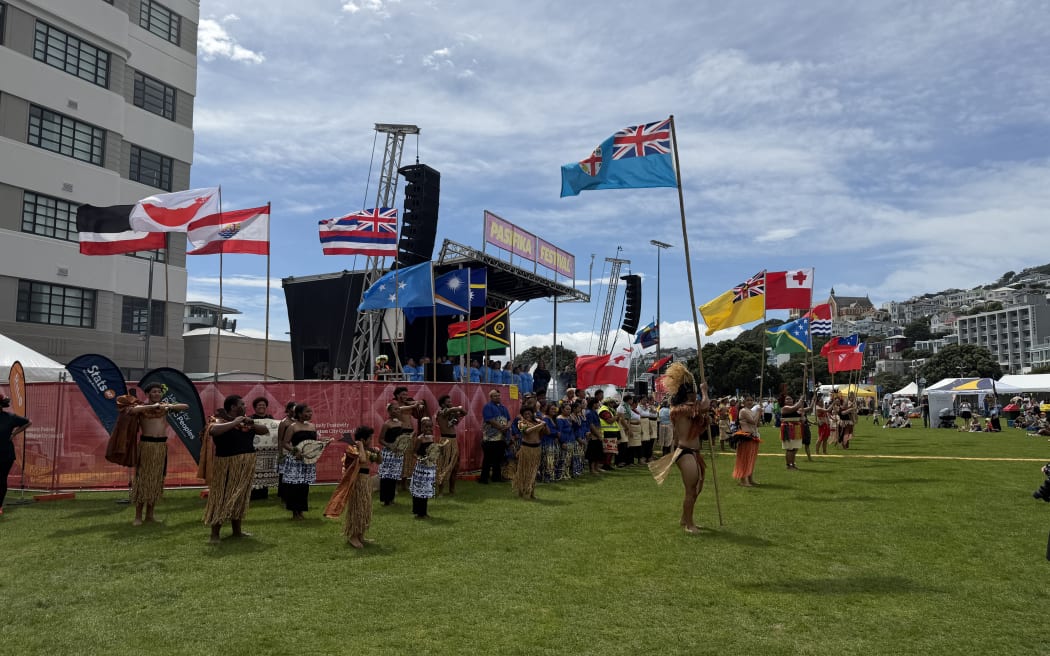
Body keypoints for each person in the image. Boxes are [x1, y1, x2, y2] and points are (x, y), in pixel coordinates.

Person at [201, 395, 268, 544]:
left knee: (240, 497)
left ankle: (237, 531)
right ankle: (214, 534)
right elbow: (212, 431)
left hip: (246, 464)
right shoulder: (218, 420)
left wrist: (252, 423)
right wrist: (234, 422)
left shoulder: (246, 422)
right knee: (221, 497)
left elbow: (264, 430)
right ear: (233, 407)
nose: (245, 407)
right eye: (242, 404)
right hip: (227, 465)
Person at [127, 383, 189, 525]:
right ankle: (138, 516)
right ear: (148, 394)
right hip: (147, 446)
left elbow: (185, 406)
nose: (157, 394)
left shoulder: (164, 408)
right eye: (154, 392)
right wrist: (151, 407)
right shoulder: (143, 408)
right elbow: (131, 410)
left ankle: (150, 515)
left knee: (156, 481)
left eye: (159, 392)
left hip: (160, 447)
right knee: (143, 480)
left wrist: (169, 407)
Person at [664, 363, 711, 534]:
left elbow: (700, 417)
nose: (696, 396)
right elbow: (705, 406)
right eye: (694, 393)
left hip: (694, 453)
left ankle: (685, 518)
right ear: (688, 394)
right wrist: (705, 391)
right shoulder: (681, 410)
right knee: (691, 490)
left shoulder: (689, 410)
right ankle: (689, 524)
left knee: (697, 489)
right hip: (685, 453)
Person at [323, 425, 380, 548]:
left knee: (365, 509)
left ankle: (361, 535)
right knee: (357, 509)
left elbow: (379, 461)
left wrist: (378, 452)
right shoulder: (352, 449)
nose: (371, 441)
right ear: (362, 440)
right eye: (369, 439)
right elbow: (363, 460)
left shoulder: (367, 450)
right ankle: (353, 536)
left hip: (365, 482)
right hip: (356, 482)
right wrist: (360, 446)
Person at [279, 404, 322, 520]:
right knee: (294, 486)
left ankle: (301, 511)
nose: (310, 414)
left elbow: (313, 443)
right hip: (295, 461)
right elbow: (285, 443)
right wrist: (295, 451)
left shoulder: (312, 426)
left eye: (310, 412)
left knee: (304, 486)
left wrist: (322, 444)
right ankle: (294, 512)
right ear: (299, 414)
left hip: (307, 461)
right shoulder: (292, 426)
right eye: (307, 412)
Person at [0, 394, 31, 515]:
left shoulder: (10, 417)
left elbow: (28, 422)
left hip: (5, 454)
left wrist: (14, 433)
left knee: (1, 479)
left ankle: (0, 505)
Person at [377, 402, 411, 505]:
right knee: (386, 476)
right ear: (389, 411)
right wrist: (389, 445)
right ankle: (385, 499)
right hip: (388, 453)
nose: (397, 411)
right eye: (395, 409)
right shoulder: (387, 424)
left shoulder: (400, 423)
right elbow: (381, 439)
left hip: (397, 454)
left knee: (394, 476)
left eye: (398, 409)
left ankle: (391, 498)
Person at [435, 395, 466, 495]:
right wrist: (457, 408)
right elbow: (450, 410)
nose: (451, 403)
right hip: (445, 440)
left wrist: (459, 409)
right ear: (443, 404)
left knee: (455, 466)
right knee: (444, 465)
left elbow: (465, 413)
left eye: (451, 401)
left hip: (453, 441)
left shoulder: (452, 414)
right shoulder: (440, 413)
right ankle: (440, 491)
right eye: (448, 402)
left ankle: (452, 490)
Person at [409, 417, 439, 518]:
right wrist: (420, 458)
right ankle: (419, 511)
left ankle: (424, 512)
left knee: (426, 489)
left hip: (429, 467)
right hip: (421, 467)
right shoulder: (419, 438)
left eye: (430, 426)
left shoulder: (432, 438)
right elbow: (414, 452)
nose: (428, 428)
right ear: (422, 427)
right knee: (419, 489)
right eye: (426, 426)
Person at [480, 389, 511, 483]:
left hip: (501, 437)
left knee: (498, 459)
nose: (497, 397)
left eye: (498, 395)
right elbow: (489, 420)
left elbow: (509, 419)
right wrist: (502, 427)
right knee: (488, 459)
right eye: (495, 396)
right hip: (490, 438)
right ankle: (484, 479)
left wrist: (508, 426)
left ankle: (496, 478)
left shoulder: (503, 407)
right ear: (491, 397)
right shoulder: (487, 407)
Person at [732, 394, 761, 487]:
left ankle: (750, 478)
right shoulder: (743, 411)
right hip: (745, 436)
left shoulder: (750, 411)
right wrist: (759, 413)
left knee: (751, 459)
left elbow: (757, 424)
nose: (750, 402)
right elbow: (753, 421)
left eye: (751, 400)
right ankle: (743, 480)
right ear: (743, 402)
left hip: (754, 436)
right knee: (745, 458)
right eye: (748, 400)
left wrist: (758, 414)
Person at [779, 394, 806, 470]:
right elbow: (793, 408)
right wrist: (801, 400)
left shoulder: (797, 409)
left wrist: (802, 416)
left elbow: (802, 420)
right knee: (790, 448)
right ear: (784, 401)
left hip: (796, 429)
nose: (789, 400)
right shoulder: (785, 408)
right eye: (787, 399)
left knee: (795, 448)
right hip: (788, 429)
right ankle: (789, 465)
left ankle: (793, 463)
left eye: (790, 399)